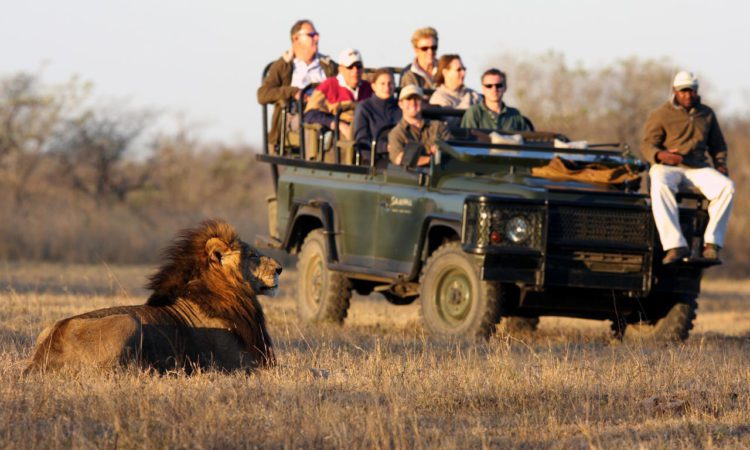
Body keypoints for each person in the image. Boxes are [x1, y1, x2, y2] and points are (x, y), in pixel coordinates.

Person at [641, 71, 734, 264]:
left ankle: (712, 244)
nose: (688, 95)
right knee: (658, 180)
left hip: (697, 168)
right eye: (683, 91)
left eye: (691, 91)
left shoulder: (706, 114)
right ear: (675, 91)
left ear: (697, 91)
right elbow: (647, 144)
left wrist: (721, 164)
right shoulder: (661, 114)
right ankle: (675, 245)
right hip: (669, 167)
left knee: (727, 187)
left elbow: (718, 145)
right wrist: (660, 155)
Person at [257, 20, 337, 149]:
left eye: (316, 34)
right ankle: (312, 164)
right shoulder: (284, 65)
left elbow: (349, 76)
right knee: (312, 125)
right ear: (296, 39)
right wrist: (293, 92)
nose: (317, 38)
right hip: (297, 114)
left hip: (327, 111)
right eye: (311, 35)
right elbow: (263, 95)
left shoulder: (328, 65)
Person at [304, 48, 373, 140]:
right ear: (341, 69)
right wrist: (338, 124)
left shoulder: (369, 88)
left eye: (358, 66)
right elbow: (310, 114)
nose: (355, 70)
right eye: (350, 67)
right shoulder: (328, 86)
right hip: (338, 135)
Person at [388, 85, 451, 167]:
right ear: (400, 104)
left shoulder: (438, 126)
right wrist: (432, 159)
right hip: (409, 177)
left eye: (417, 99)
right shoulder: (396, 133)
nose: (413, 103)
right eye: (409, 99)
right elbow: (400, 160)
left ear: (423, 103)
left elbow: (452, 151)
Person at [353, 68, 402, 165]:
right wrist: (385, 147)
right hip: (374, 159)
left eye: (390, 83)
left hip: (400, 156)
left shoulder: (401, 107)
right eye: (382, 84)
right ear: (373, 86)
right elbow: (362, 141)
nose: (387, 88)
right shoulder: (364, 108)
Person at [460, 68, 531, 132]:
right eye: (489, 86)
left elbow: (526, 141)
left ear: (505, 87)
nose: (494, 89)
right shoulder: (474, 113)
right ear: (483, 88)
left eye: (498, 85)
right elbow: (467, 142)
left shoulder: (514, 114)